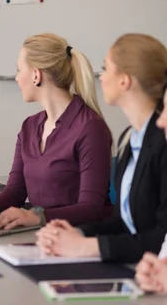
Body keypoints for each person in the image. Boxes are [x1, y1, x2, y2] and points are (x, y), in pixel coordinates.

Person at [37, 33, 167, 263]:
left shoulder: (162, 143)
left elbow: (161, 239)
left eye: (105, 69)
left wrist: (85, 247)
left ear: (124, 81)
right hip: (133, 267)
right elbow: (124, 223)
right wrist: (77, 233)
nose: (101, 77)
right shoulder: (130, 137)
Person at [0, 33, 113, 230]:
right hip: (42, 236)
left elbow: (91, 208)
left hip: (80, 239)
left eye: (19, 70)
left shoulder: (90, 128)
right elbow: (15, 193)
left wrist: (37, 216)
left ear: (36, 75)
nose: (17, 78)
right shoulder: (29, 127)